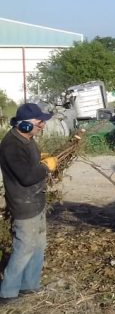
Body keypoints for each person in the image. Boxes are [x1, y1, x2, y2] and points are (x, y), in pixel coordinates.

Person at [0, 104, 58, 302]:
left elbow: (29, 165)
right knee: (24, 248)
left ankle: (29, 285)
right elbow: (26, 176)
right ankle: (7, 292)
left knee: (38, 244)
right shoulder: (11, 145)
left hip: (36, 200)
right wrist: (45, 167)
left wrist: (40, 159)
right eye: (39, 122)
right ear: (23, 125)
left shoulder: (27, 138)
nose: (42, 125)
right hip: (23, 204)